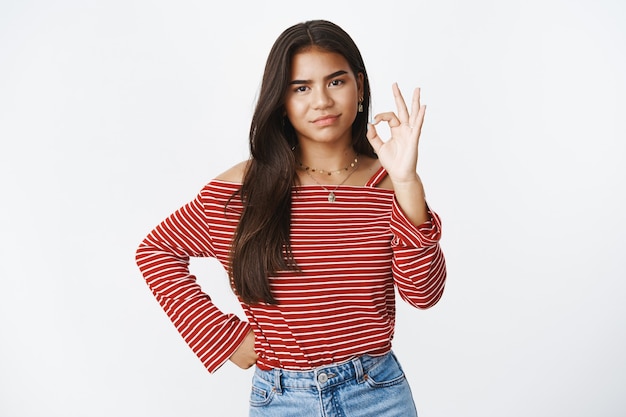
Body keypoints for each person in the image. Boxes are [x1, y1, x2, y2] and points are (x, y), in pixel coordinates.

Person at [135, 19, 446, 417]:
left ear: (360, 86)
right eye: (301, 88)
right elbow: (156, 250)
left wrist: (406, 181)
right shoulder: (242, 190)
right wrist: (223, 339)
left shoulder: (389, 184)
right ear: (281, 100)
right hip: (282, 398)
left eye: (336, 82)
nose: (321, 101)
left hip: (378, 395)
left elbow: (424, 295)